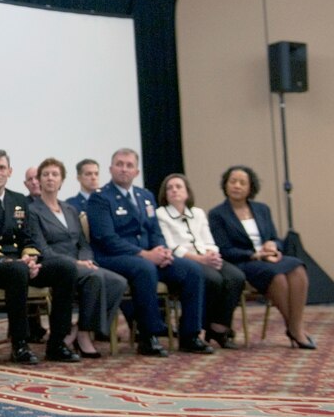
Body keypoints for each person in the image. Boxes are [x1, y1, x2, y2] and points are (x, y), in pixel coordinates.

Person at [86, 148, 213, 356]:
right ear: (111, 169)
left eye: (129, 165)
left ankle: (190, 335)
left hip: (148, 257)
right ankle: (148, 335)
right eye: (119, 164)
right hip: (113, 257)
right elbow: (106, 238)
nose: (124, 169)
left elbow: (155, 230)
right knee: (145, 269)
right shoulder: (100, 198)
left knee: (192, 270)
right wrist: (145, 254)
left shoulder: (145, 196)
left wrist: (162, 250)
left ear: (136, 171)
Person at [0, 150, 80, 364]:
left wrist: (30, 258)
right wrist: (6, 260)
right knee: (17, 270)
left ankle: (57, 343)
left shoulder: (18, 200)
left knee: (66, 268)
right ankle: (20, 344)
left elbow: (28, 238)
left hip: (21, 263)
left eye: (2, 168)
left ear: (10, 171)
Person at [28, 158, 126, 358]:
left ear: (62, 180)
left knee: (118, 282)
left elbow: (83, 243)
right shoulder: (32, 210)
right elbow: (41, 248)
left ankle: (81, 328)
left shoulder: (70, 210)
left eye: (55, 174)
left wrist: (85, 259)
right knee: (95, 277)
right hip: (54, 265)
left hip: (80, 263)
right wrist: (76, 263)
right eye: (45, 174)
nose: (50, 178)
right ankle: (83, 336)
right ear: (39, 180)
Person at [208, 166, 314, 349]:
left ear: (251, 187)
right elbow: (224, 249)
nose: (237, 186)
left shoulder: (262, 209)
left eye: (242, 183)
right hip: (243, 262)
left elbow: (275, 238)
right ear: (225, 185)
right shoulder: (217, 214)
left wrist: (273, 246)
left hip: (268, 259)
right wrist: (254, 254)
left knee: (297, 266)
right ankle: (295, 329)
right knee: (278, 277)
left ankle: (296, 326)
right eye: (233, 182)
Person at [156, 173, 246, 349]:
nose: (174, 190)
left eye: (178, 187)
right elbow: (171, 246)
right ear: (164, 194)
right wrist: (200, 259)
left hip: (206, 257)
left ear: (187, 192)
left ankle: (218, 327)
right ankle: (193, 326)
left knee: (236, 277)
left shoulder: (197, 213)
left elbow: (209, 241)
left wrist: (212, 255)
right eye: (169, 188)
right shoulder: (161, 214)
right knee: (213, 279)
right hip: (184, 260)